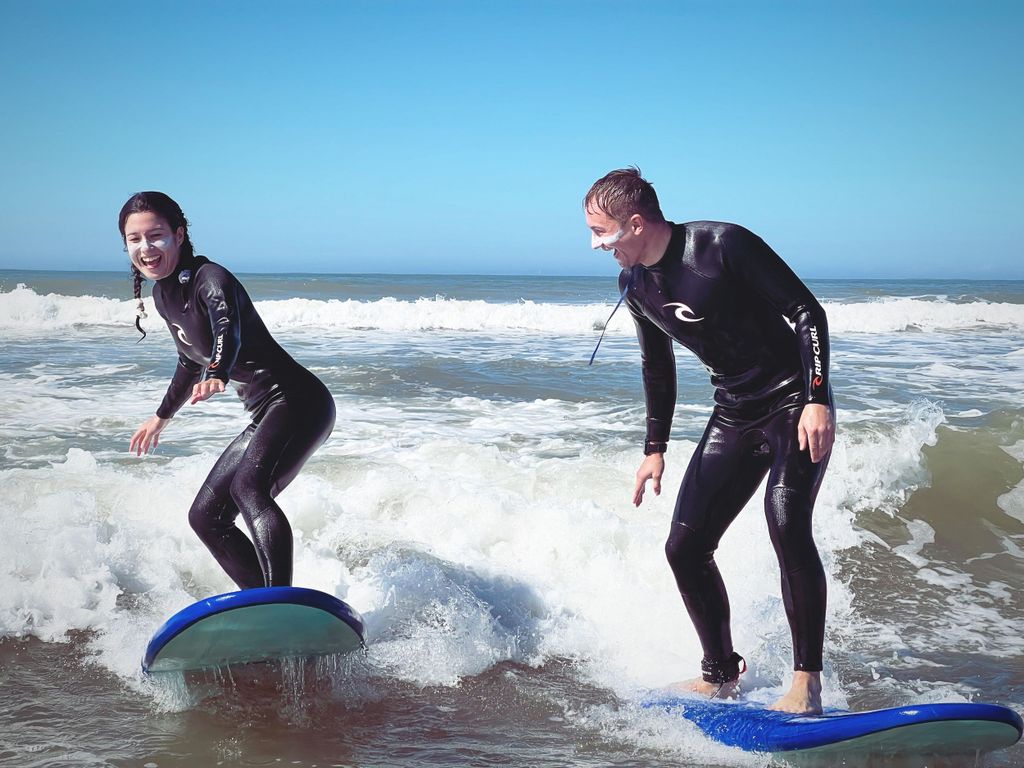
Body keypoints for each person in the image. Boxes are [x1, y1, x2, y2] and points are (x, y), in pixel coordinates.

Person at [584, 168, 835, 715]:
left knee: (787, 526)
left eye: (601, 233)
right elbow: (657, 365)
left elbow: (806, 313)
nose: (596, 245)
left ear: (634, 223)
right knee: (685, 546)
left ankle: (806, 686)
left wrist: (817, 396)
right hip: (735, 411)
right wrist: (655, 448)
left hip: (794, 403)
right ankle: (721, 674)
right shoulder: (635, 285)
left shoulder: (722, 246)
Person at [121, 191, 335, 590]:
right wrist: (161, 416)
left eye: (156, 236)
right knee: (206, 517)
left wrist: (218, 371)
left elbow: (226, 329)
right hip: (267, 412)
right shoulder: (164, 293)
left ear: (179, 235)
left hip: (298, 401)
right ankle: (261, 604)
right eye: (135, 239)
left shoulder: (210, 278)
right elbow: (189, 359)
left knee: (248, 489)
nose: (146, 248)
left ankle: (279, 601)